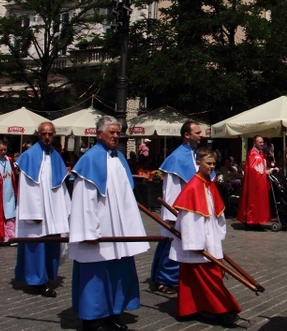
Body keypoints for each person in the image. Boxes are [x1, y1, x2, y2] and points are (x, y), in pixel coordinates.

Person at [70, 115, 150, 331]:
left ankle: (111, 313)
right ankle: (93, 318)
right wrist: (89, 231)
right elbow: (84, 201)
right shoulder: (90, 160)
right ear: (99, 134)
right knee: (96, 274)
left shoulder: (119, 158)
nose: (116, 135)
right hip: (99, 230)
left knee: (117, 272)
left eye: (117, 132)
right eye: (111, 132)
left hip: (118, 230)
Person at [171, 147, 241, 327]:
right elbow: (188, 219)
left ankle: (190, 309)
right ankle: (222, 308)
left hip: (209, 237)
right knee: (208, 277)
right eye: (208, 163)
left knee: (193, 278)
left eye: (213, 164)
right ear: (198, 163)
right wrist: (196, 243)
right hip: (199, 242)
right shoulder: (194, 186)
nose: (211, 167)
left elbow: (216, 212)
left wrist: (217, 235)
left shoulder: (208, 184)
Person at [14, 121, 71, 298]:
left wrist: (65, 209)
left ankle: (47, 276)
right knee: (35, 245)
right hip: (37, 210)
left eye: (51, 134)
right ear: (38, 135)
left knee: (52, 243)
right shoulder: (29, 156)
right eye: (44, 134)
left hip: (52, 210)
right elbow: (26, 187)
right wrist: (32, 213)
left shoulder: (56, 156)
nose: (47, 137)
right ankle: (37, 281)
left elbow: (61, 185)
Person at [150, 120, 203, 295]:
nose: (200, 136)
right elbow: (171, 191)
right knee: (172, 246)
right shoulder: (177, 158)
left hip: (189, 210)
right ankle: (165, 280)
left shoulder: (195, 155)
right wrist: (172, 216)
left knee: (176, 245)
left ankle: (166, 278)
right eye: (197, 133)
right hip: (177, 212)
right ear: (187, 135)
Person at [237, 135, 276, 228]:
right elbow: (254, 169)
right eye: (260, 142)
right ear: (255, 143)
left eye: (263, 142)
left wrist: (270, 168)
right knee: (254, 202)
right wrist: (266, 171)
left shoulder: (260, 153)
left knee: (259, 202)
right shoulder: (253, 154)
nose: (262, 144)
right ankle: (253, 221)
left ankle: (256, 220)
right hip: (255, 183)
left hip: (260, 182)